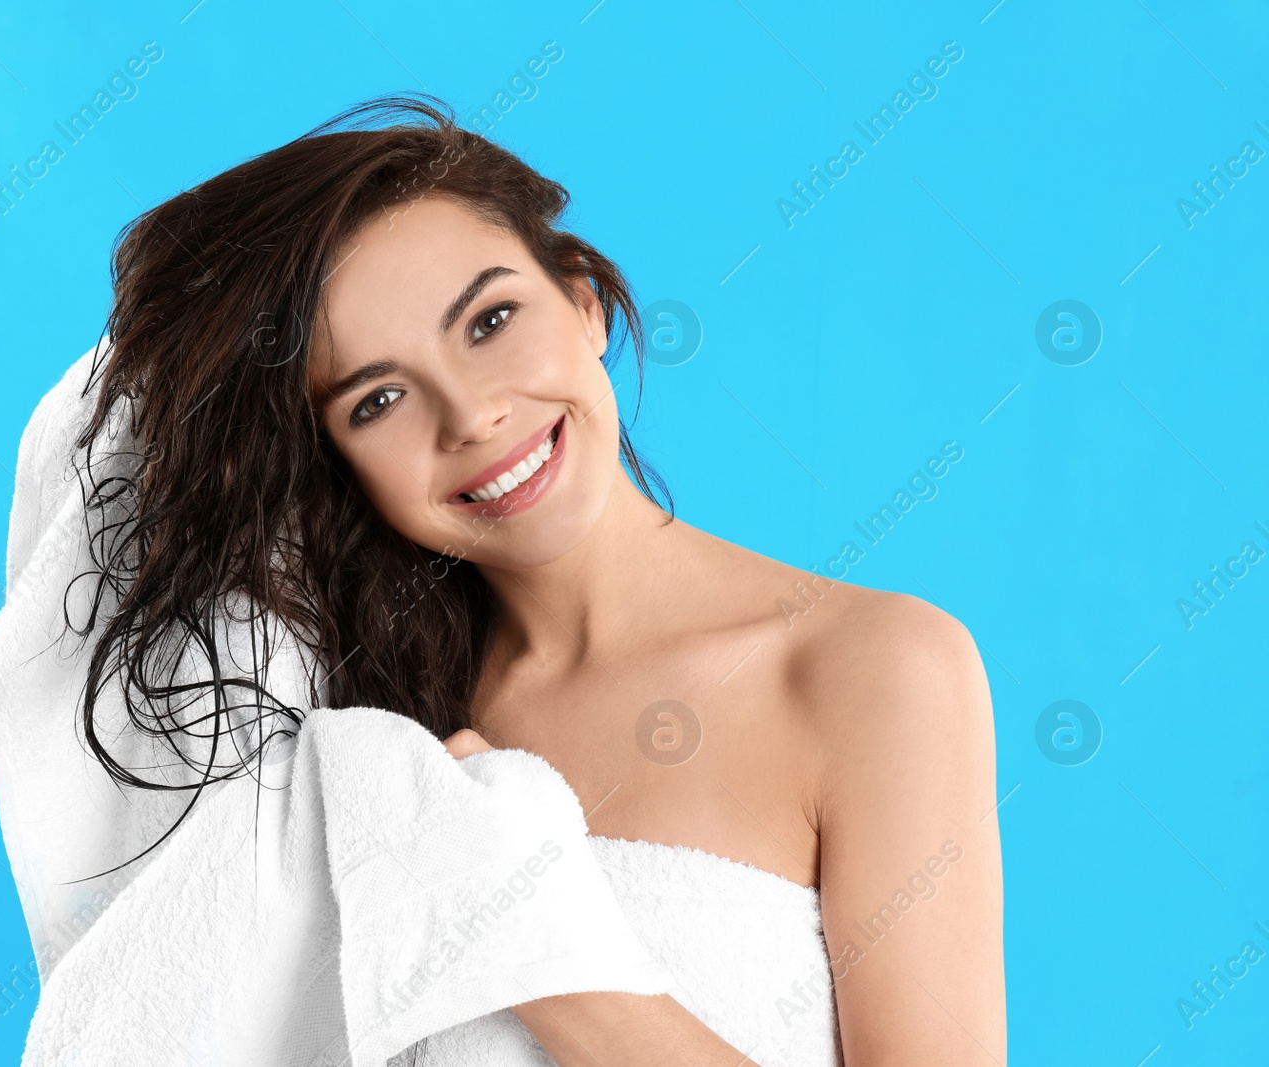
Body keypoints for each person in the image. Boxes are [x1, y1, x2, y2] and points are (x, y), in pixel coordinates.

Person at [63, 94, 1005, 1065]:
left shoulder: (870, 667)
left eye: (491, 319)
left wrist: (540, 945)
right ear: (329, 458)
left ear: (585, 301)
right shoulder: (364, 740)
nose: (470, 414)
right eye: (376, 398)